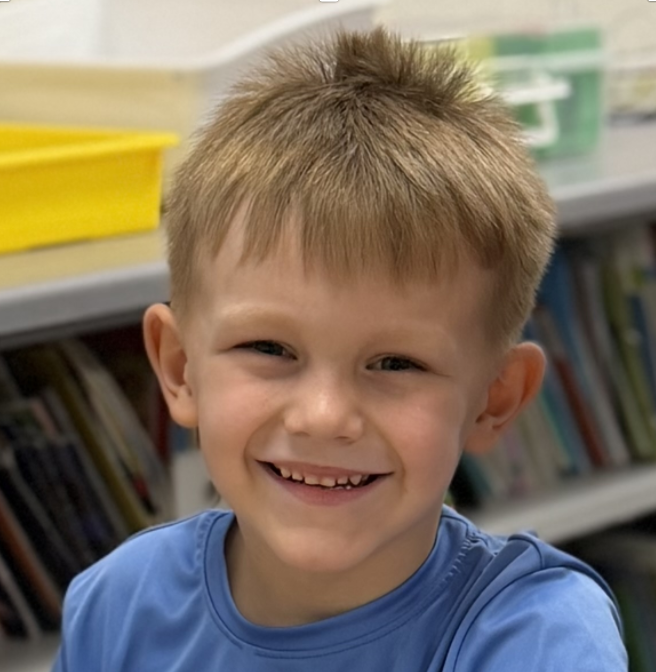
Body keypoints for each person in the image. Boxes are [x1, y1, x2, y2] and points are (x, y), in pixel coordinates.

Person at [52, 26, 627, 671]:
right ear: (181, 368)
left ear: (495, 400)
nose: (324, 415)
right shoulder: (116, 605)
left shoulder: (536, 636)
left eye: (395, 363)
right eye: (269, 348)